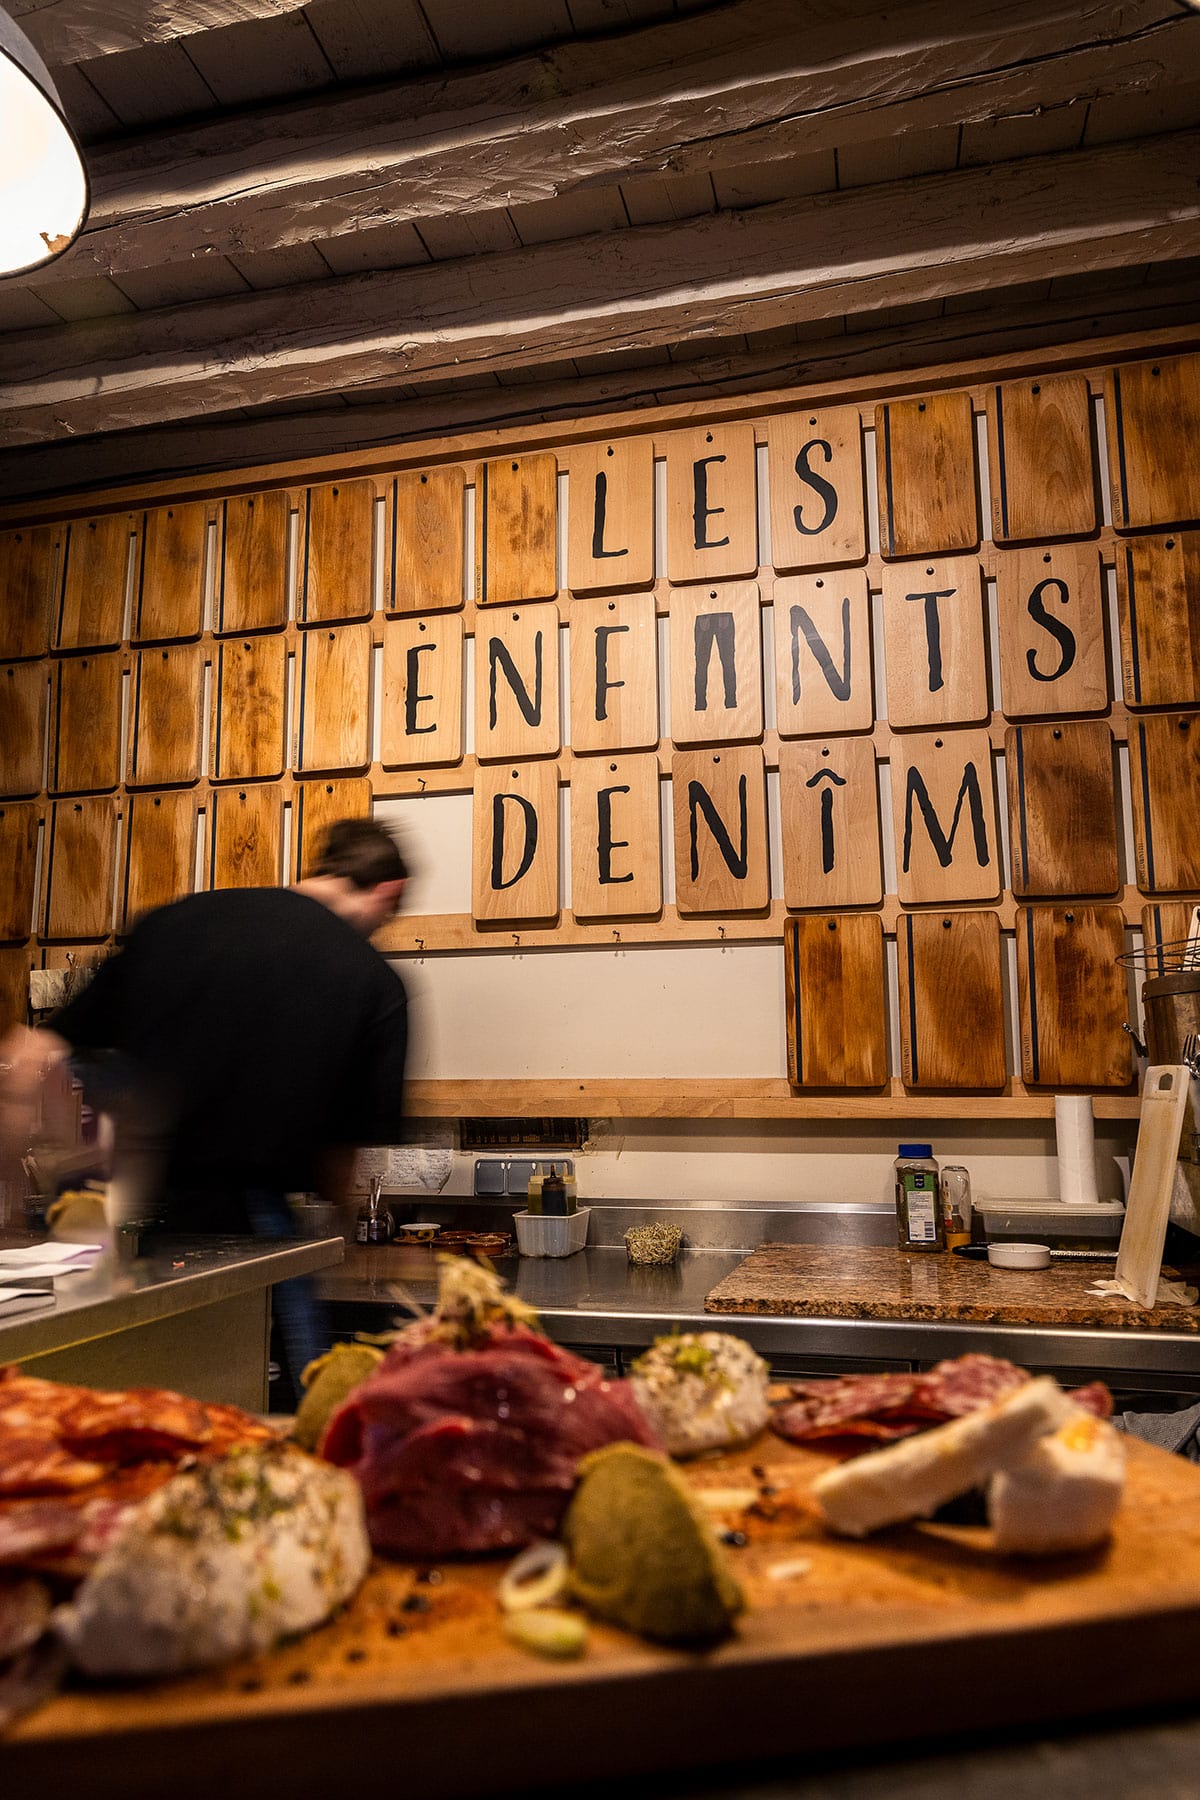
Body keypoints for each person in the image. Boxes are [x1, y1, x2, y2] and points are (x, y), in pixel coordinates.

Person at [0, 816, 411, 1406]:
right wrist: (335, 1238)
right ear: (387, 892)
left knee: (85, 1401)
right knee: (279, 1409)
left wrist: (13, 1216)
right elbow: (339, 1164)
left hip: (107, 1218)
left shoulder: (177, 920)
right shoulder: (372, 981)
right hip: (246, 1228)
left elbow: (27, 1056)